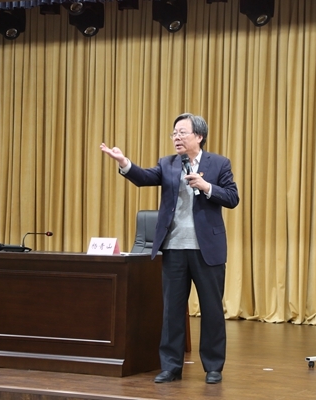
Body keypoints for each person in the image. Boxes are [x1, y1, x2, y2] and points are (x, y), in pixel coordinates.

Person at [100, 113, 239, 384]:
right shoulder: (168, 163)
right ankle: (171, 367)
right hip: (174, 247)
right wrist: (124, 162)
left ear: (199, 136)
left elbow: (232, 197)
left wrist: (206, 186)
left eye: (182, 132)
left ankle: (213, 367)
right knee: (172, 311)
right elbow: (143, 177)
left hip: (207, 250)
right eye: (174, 133)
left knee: (212, 310)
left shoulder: (219, 163)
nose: (176, 137)